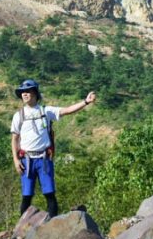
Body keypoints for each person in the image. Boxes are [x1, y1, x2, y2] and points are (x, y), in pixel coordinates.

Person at [10, 78, 96, 217]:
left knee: (49, 194)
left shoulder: (46, 111)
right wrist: (16, 160)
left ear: (35, 93)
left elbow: (67, 110)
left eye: (28, 91)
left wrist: (85, 102)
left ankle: (52, 226)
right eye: (22, 92)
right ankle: (22, 231)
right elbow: (14, 139)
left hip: (43, 159)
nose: (25, 94)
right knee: (26, 196)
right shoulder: (18, 116)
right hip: (26, 160)